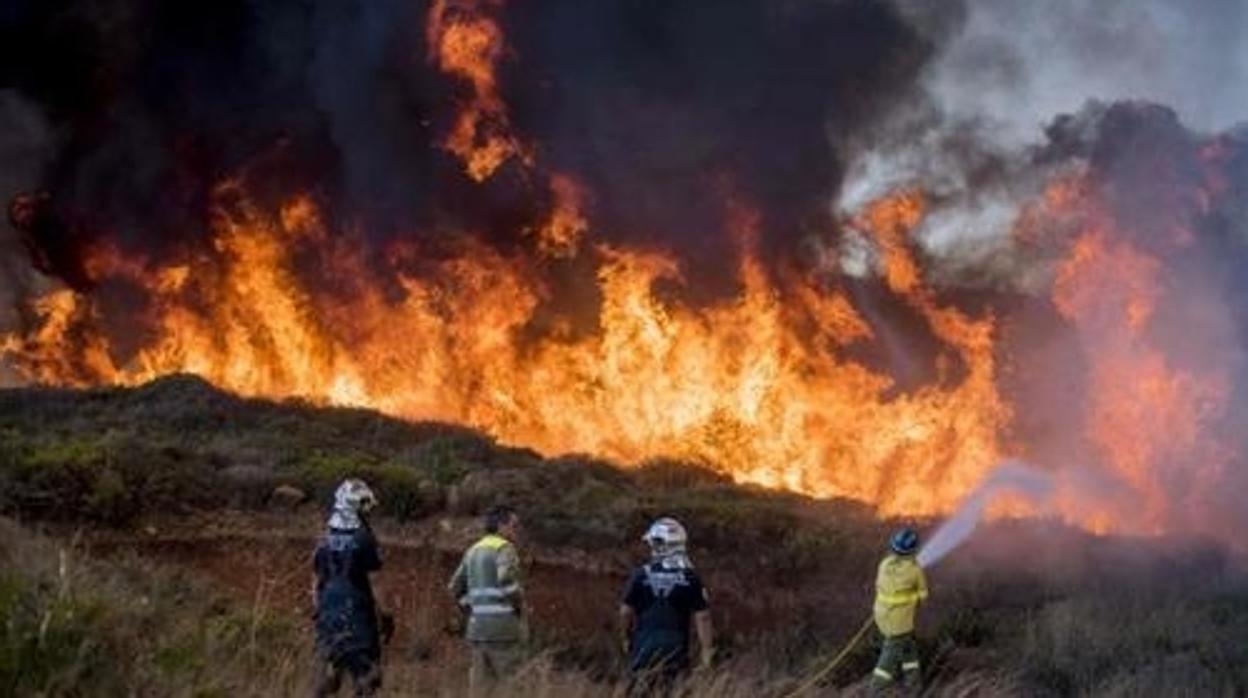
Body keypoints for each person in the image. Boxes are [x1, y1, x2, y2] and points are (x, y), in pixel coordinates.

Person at [619, 517, 714, 696]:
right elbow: (703, 617)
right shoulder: (691, 578)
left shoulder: (640, 575)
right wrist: (707, 651)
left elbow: (625, 612)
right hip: (676, 652)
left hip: (643, 651)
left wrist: (625, 638)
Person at [312, 479, 384, 698]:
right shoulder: (364, 539)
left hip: (328, 614)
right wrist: (385, 614)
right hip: (357, 613)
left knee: (330, 671)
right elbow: (376, 580)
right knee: (368, 676)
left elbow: (315, 579)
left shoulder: (324, 539)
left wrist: (319, 610)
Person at [448, 505, 526, 697]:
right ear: (501, 526)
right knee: (510, 685)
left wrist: (471, 608)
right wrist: (518, 606)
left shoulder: (473, 550)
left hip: (477, 629)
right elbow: (506, 579)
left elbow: (454, 588)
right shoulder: (505, 548)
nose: (516, 531)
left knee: (480, 688)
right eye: (513, 525)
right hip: (503, 630)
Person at [871, 527, 927, 696]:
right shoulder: (915, 571)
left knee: (909, 651)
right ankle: (875, 691)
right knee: (886, 663)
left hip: (882, 617)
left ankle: (914, 687)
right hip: (899, 624)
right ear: (914, 550)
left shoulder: (884, 564)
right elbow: (923, 596)